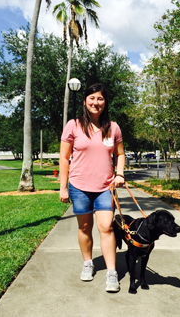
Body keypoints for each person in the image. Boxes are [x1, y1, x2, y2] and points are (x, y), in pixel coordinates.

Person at [59, 83, 125, 292]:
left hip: (105, 187)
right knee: (84, 227)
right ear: (85, 101)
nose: (96, 103)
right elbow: (64, 157)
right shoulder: (73, 125)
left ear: (105, 102)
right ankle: (88, 263)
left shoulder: (113, 127)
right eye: (92, 98)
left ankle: (111, 273)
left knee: (106, 227)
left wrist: (120, 173)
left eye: (100, 99)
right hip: (79, 186)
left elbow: (120, 154)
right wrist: (63, 187)